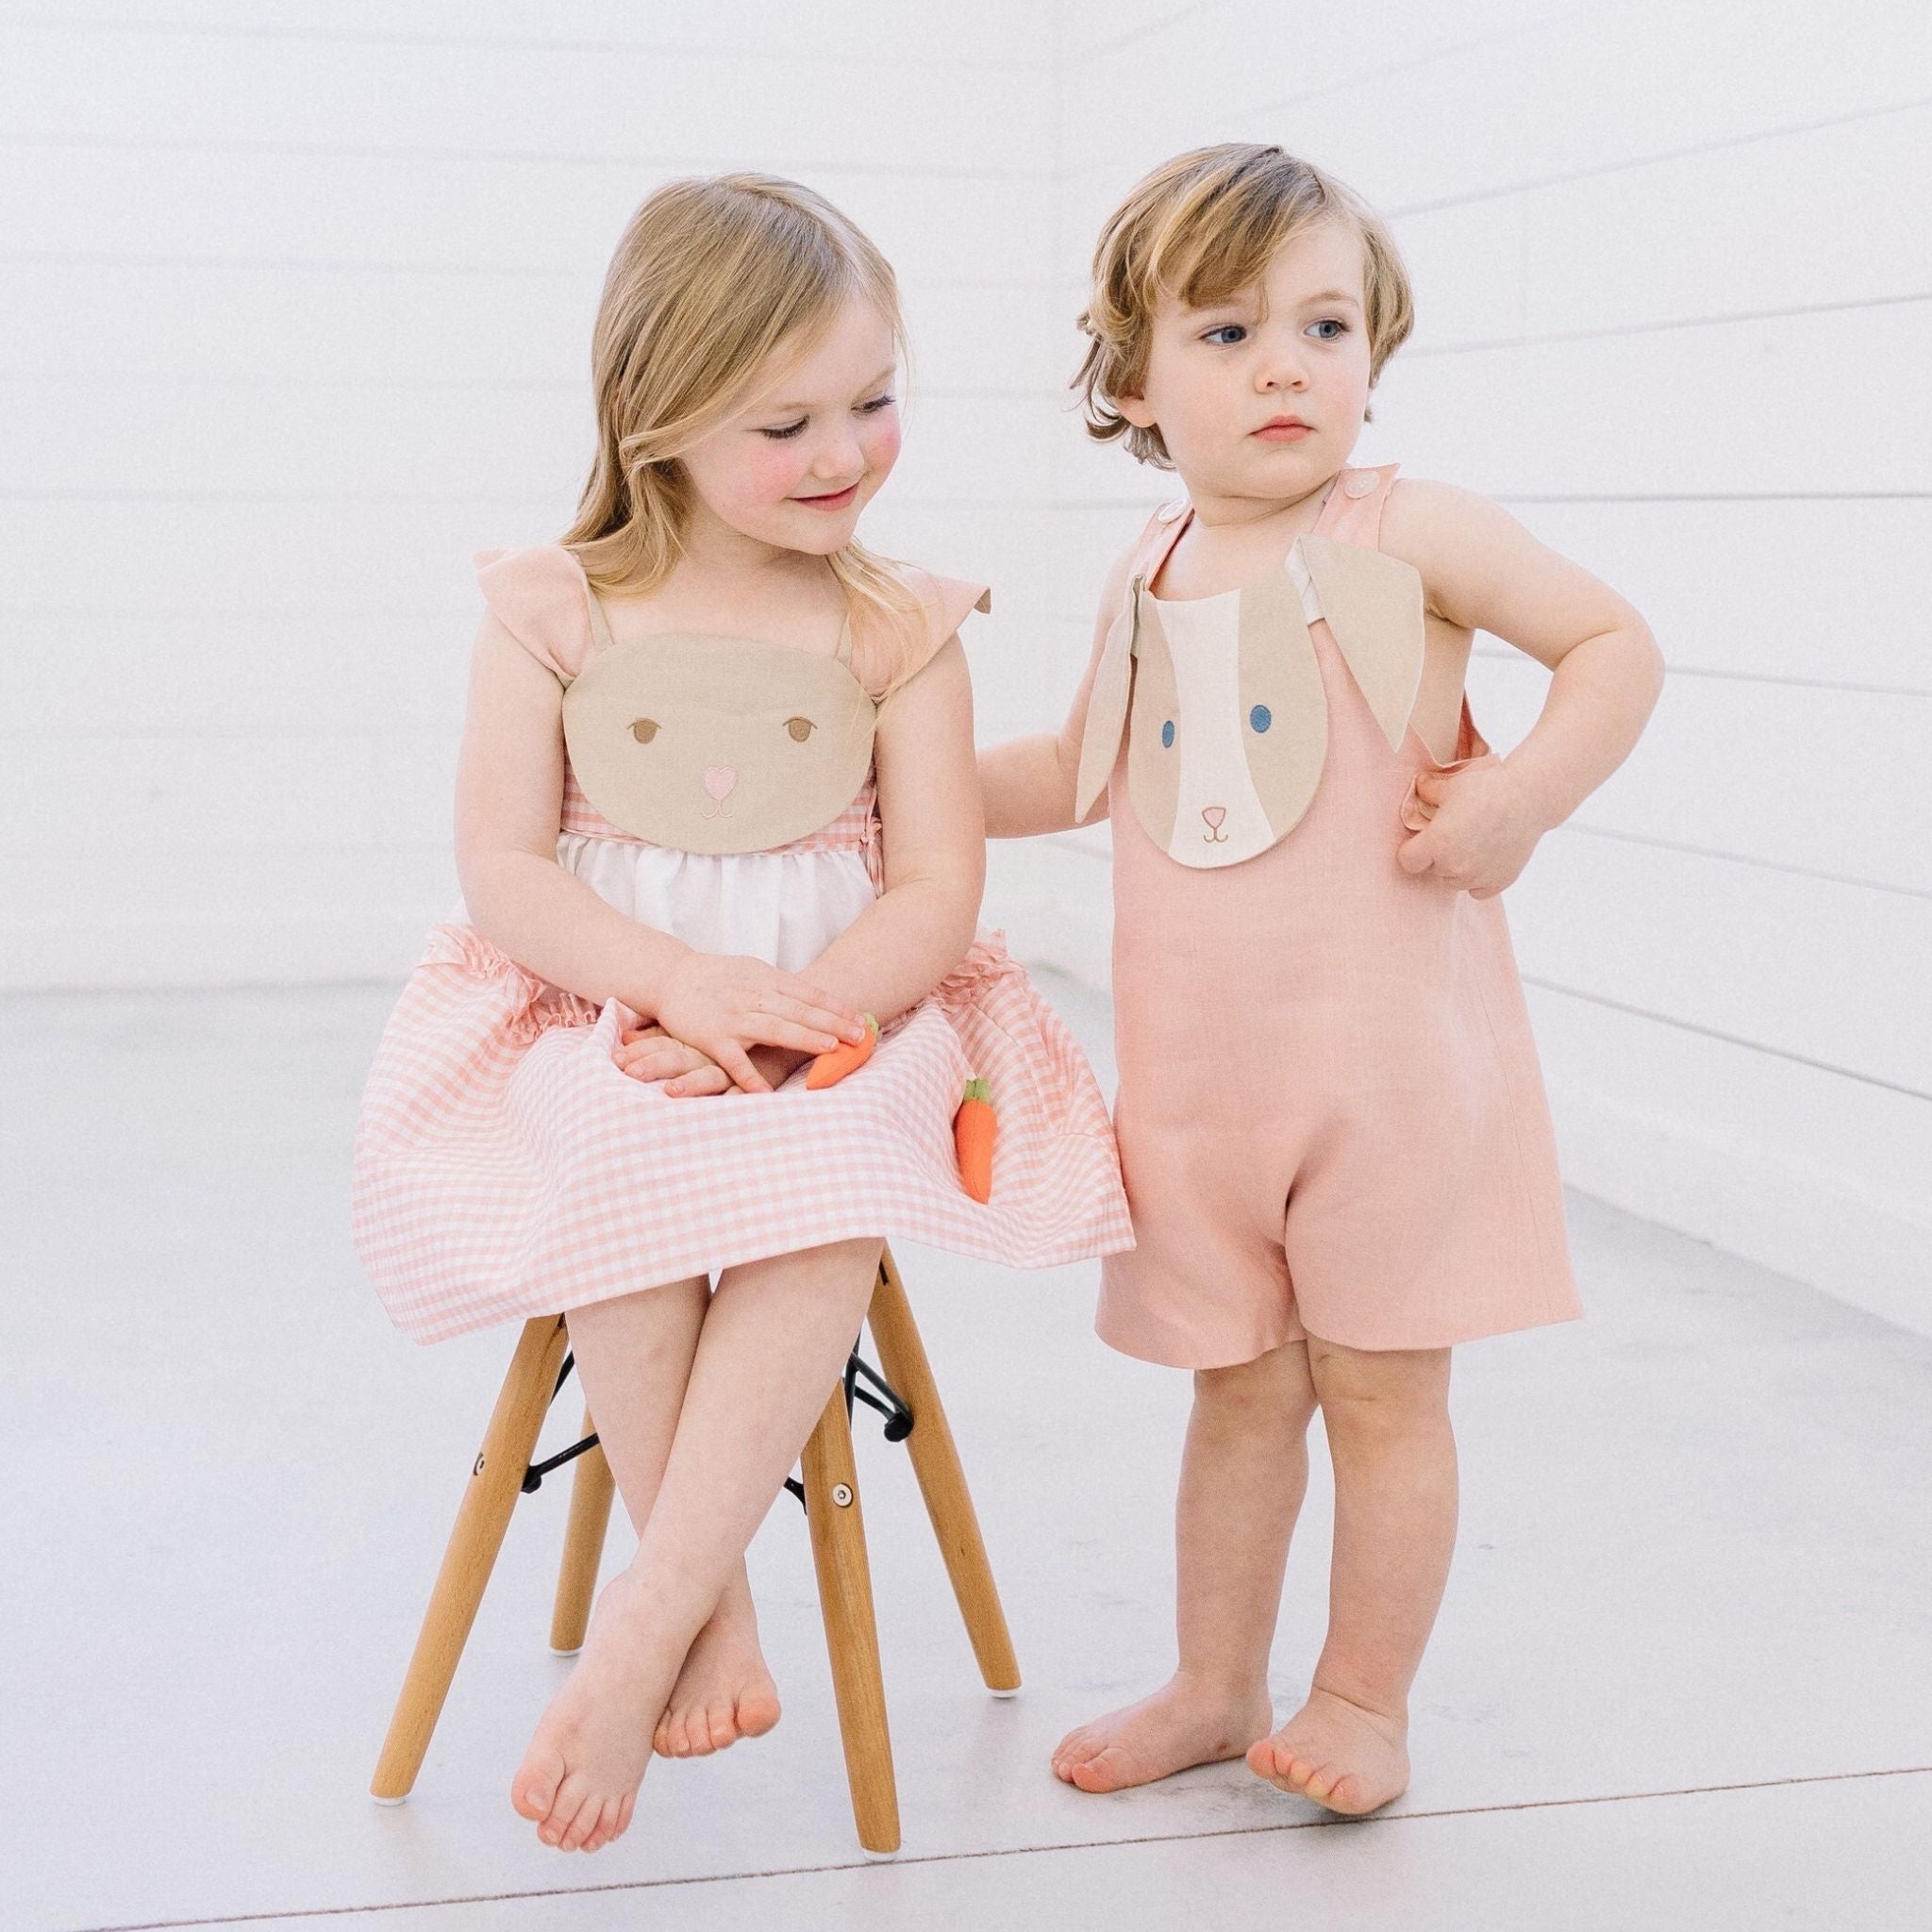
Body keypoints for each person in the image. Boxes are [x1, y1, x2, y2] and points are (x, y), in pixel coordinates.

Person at [352, 173, 1132, 1856]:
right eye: (788, 422)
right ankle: (709, 1609)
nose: (846, 452)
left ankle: (655, 1612)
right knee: (621, 1150)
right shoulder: (557, 608)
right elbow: (502, 863)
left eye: (875, 400)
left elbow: (936, 884)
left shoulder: (894, 622)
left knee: (829, 1177)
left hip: (848, 1018)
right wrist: (674, 989)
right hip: (614, 1007)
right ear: (660, 421)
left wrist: (812, 1011)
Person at [979, 143, 1662, 1816]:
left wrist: (1521, 797)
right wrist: (883, 778)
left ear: (1375, 348)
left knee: (1380, 1385)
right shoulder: (1147, 570)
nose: (1284, 364)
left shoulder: (1406, 529)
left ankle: (1364, 1699)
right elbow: (1073, 768)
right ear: (1132, 378)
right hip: (1204, 1092)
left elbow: (1612, 646)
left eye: (1325, 324)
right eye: (1224, 333)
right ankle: (1217, 1685)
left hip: (1391, 1082)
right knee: (1238, 1389)